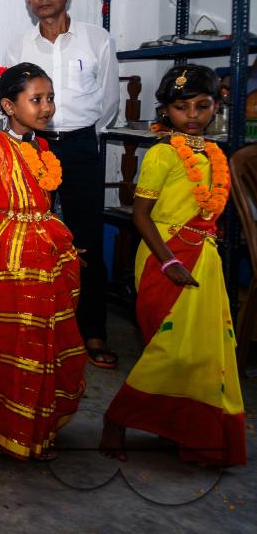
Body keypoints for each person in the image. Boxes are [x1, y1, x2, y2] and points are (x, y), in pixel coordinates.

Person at [100, 65, 245, 466]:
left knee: (205, 352)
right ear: (166, 111)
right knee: (169, 349)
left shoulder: (216, 153)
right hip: (165, 254)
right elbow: (141, 216)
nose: (193, 115)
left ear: (217, 107)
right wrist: (169, 263)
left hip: (206, 257)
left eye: (203, 106)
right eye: (182, 107)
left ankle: (188, 431)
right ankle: (117, 418)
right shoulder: (162, 153)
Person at [0, 64, 85, 460]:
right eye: (37, 100)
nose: (47, 107)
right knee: (14, 338)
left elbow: (46, 202)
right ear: (9, 105)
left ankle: (35, 425)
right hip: (7, 252)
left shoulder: (43, 148)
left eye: (50, 98)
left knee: (43, 337)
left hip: (46, 249)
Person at [6, 0, 120, 369]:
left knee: (85, 238)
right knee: (33, 236)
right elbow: (8, 100)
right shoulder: (20, 47)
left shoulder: (96, 39)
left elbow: (108, 102)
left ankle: (92, 330)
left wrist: (81, 137)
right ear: (28, 0)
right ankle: (37, 324)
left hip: (80, 148)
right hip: (35, 148)